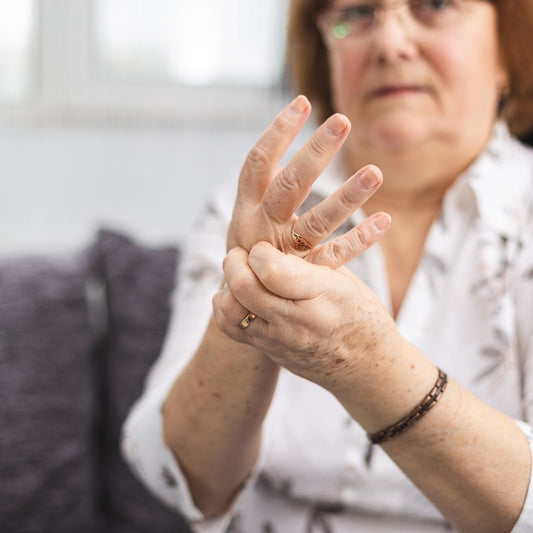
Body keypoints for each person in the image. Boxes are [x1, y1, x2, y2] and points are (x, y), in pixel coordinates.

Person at [121, 0, 533, 531]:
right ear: (324, 48)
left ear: (508, 49)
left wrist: (368, 364)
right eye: (357, 13)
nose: (389, 43)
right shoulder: (251, 206)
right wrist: (248, 302)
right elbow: (178, 475)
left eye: (434, 5)